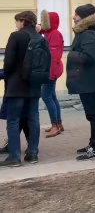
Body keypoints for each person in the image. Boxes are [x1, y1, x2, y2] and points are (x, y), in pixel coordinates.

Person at [1, 11, 42, 167]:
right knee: (33, 119)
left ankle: (14, 157)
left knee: (13, 120)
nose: (15, 24)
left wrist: (6, 75)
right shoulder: (39, 38)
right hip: (34, 85)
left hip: (17, 85)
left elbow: (9, 63)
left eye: (17, 21)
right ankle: (32, 154)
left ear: (23, 21)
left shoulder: (16, 36)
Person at [67, 4, 95, 161]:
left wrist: (72, 54)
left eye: (76, 15)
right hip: (85, 79)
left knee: (93, 114)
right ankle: (93, 143)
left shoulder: (89, 34)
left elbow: (89, 57)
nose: (73, 17)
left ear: (83, 17)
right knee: (91, 114)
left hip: (88, 80)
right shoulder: (84, 33)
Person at [38, 10, 65, 137]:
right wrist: (39, 29)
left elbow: (54, 56)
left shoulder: (54, 34)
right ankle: (59, 123)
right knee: (52, 96)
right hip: (50, 69)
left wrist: (51, 73)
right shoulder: (50, 32)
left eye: (44, 20)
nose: (42, 23)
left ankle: (55, 125)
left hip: (51, 70)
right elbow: (44, 32)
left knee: (46, 97)